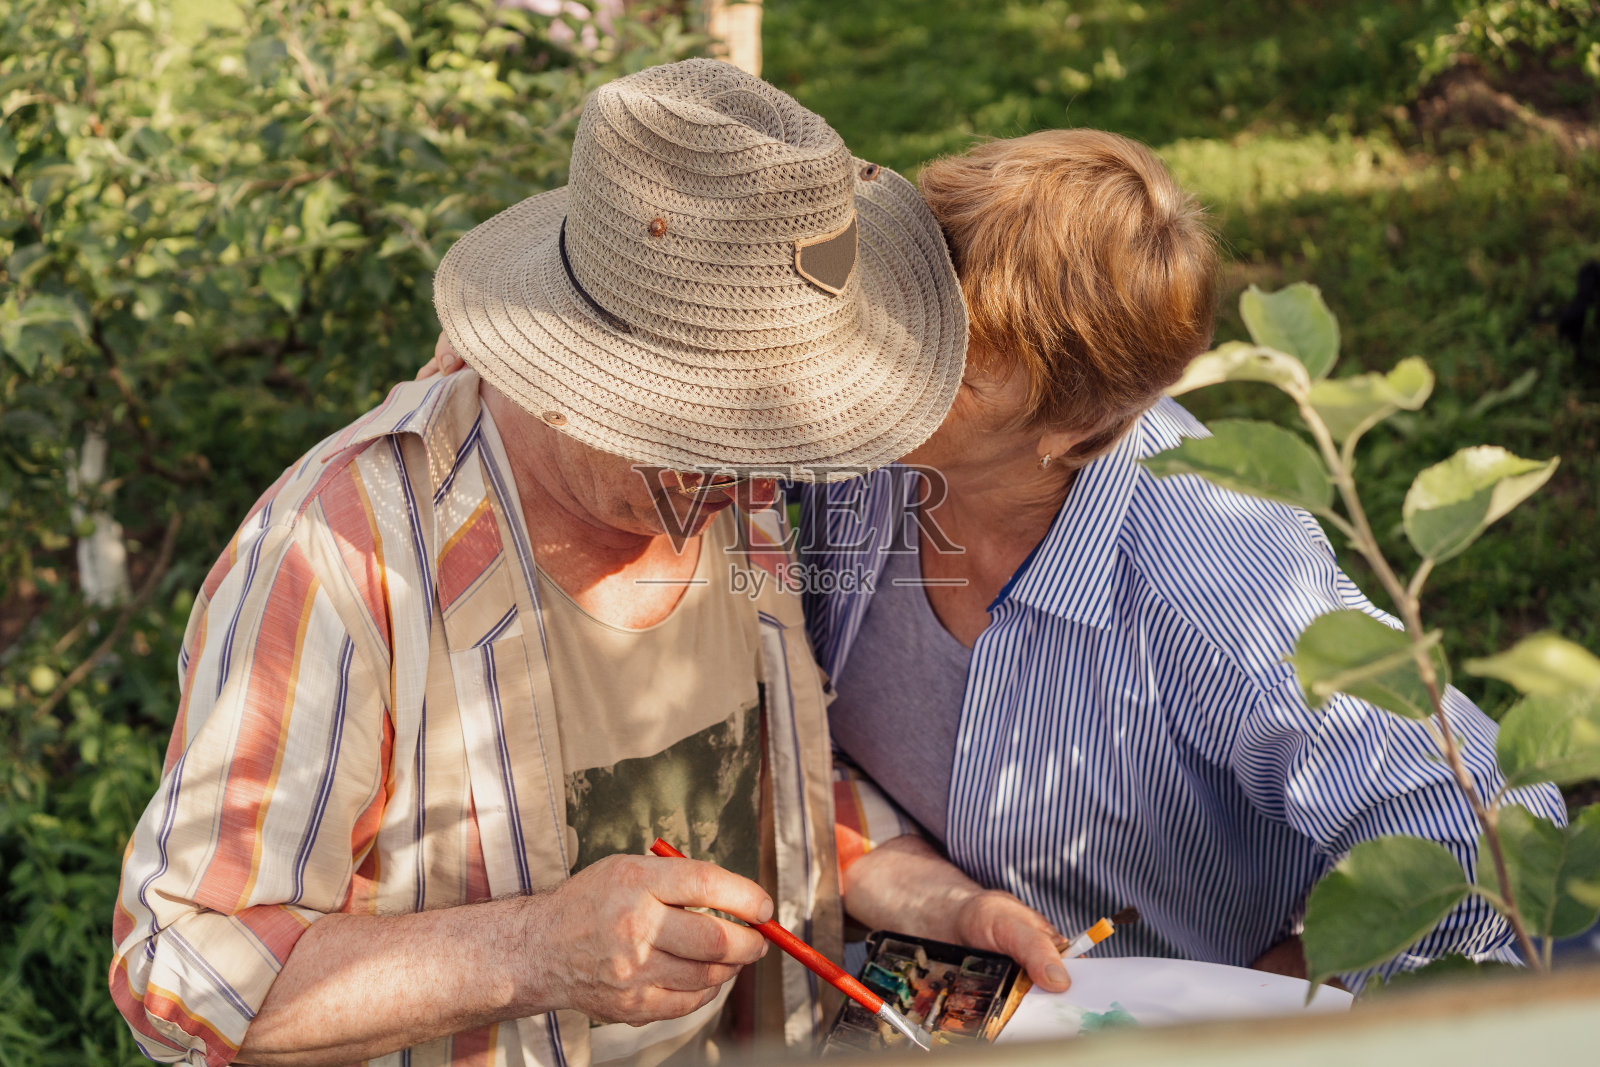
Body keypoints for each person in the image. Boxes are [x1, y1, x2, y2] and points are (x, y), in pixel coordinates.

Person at [110, 58, 967, 1067]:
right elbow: (182, 973)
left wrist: (928, 890)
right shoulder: (343, 555)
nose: (753, 490)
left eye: (775, 444)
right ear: (576, 375)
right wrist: (535, 951)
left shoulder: (734, 481)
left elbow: (751, 763)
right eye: (701, 438)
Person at [804, 128, 1567, 991]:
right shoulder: (874, 449)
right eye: (891, 311)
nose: (866, 363)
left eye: (945, 364)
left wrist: (1269, 1001)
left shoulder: (1219, 587)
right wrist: (907, 878)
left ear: (1076, 429)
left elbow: (1495, 839)